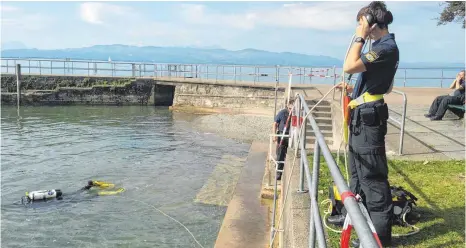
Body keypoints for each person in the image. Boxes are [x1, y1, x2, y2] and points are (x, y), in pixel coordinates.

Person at [333, 2, 398, 247]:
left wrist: (360, 36)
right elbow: (377, 82)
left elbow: (349, 65)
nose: (359, 27)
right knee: (358, 176)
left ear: (372, 22)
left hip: (369, 119)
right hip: (363, 114)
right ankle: (362, 230)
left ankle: (379, 241)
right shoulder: (381, 48)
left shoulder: (386, 48)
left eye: (361, 22)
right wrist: (354, 90)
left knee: (373, 179)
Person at [272, 99, 294, 181]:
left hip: (291, 136)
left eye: (293, 109)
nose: (291, 110)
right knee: (280, 153)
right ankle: (279, 172)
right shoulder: (282, 112)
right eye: (290, 108)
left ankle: (285, 168)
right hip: (282, 135)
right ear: (288, 106)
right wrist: (274, 135)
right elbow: (275, 123)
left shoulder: (296, 114)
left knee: (289, 153)